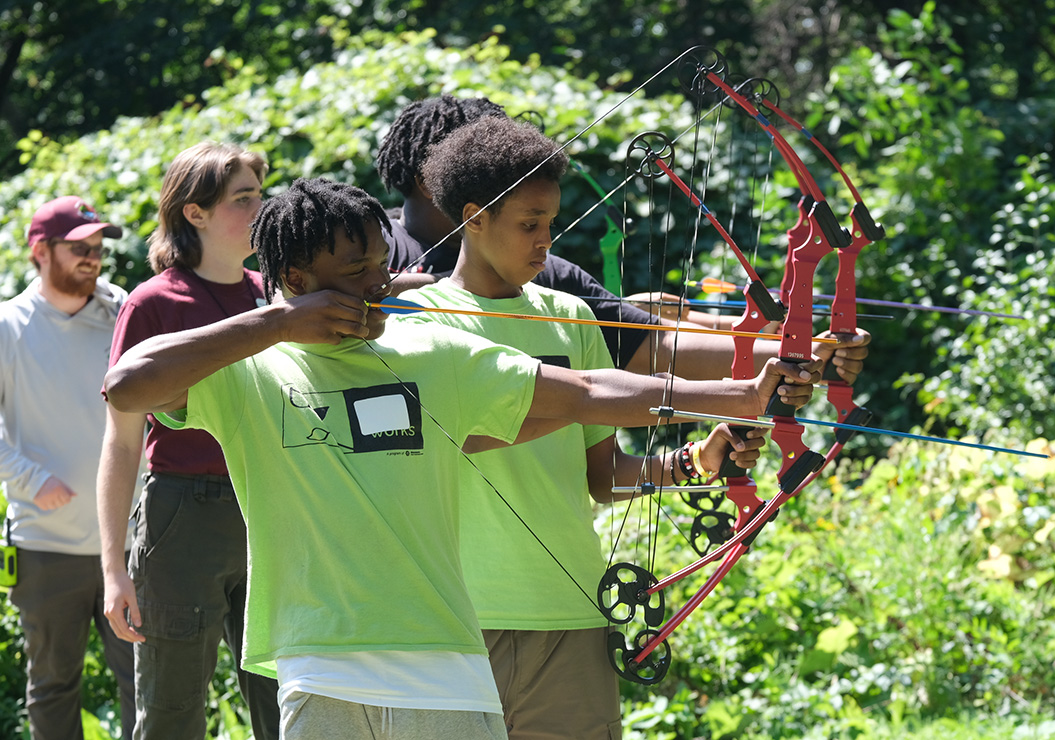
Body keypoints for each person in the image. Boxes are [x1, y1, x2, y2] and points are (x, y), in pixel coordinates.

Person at [102, 177, 817, 740]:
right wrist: (280, 322)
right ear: (293, 275)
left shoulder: (431, 353)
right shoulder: (248, 370)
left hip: (441, 669)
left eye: (381, 268)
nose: (378, 286)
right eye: (353, 274)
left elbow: (589, 389)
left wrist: (739, 396)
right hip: (317, 667)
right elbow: (126, 383)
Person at [375, 93, 870, 383]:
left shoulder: (541, 273)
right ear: (434, 175)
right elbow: (305, 301)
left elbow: (654, 345)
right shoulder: (371, 244)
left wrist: (803, 351)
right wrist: (424, 293)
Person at [96, 142, 280, 740]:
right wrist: (113, 569)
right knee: (172, 711)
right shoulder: (152, 304)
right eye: (243, 198)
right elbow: (121, 443)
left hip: (273, 509)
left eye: (260, 194)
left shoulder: (275, 297)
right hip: (182, 518)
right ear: (194, 212)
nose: (261, 208)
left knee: (288, 702)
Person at [0, 196, 137, 739]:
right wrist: (32, 480)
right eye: (79, 248)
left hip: (130, 542)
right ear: (40, 251)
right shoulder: (8, 325)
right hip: (45, 546)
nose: (93, 258)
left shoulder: (122, 308)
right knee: (54, 684)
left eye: (99, 249)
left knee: (141, 679)